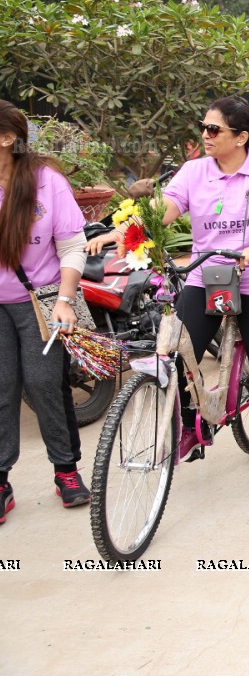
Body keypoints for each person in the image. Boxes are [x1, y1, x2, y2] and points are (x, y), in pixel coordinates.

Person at [147, 96, 249, 479]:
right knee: (179, 355)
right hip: (208, 276)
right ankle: (190, 426)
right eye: (203, 127)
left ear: (241, 137)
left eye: (214, 129)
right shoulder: (194, 171)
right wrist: (129, 229)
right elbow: (164, 210)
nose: (206, 135)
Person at [0, 100, 91, 518]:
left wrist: (66, 299)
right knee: (1, 391)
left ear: (7, 138)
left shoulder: (45, 181)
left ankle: (66, 470)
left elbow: (71, 245)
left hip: (39, 303)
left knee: (43, 386)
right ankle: (1, 480)